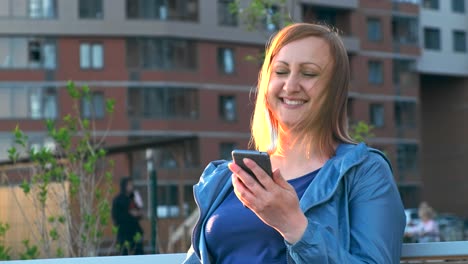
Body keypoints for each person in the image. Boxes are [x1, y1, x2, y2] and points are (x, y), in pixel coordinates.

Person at [183, 23, 406, 263]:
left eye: (309, 73)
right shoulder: (224, 179)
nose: (290, 86)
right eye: (280, 72)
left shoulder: (364, 172)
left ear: (334, 89)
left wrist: (294, 226)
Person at [111, 177, 145, 255]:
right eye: (129, 184)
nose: (131, 186)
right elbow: (116, 216)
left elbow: (140, 211)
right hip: (124, 232)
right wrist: (129, 213)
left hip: (135, 230)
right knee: (124, 252)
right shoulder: (118, 200)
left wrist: (138, 213)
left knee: (138, 252)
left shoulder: (134, 197)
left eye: (131, 184)